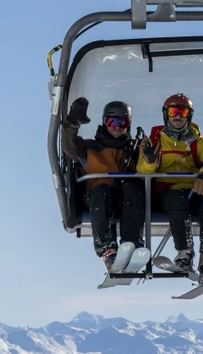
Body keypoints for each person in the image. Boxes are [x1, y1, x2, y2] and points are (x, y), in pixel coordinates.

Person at [136, 93, 203, 284]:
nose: (177, 116)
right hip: (168, 189)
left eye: (182, 112)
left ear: (189, 116)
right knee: (176, 202)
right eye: (173, 111)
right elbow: (142, 171)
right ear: (166, 114)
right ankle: (185, 252)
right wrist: (150, 161)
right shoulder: (154, 140)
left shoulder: (197, 142)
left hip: (194, 188)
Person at [61, 98, 145, 269]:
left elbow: (149, 168)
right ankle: (107, 249)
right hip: (97, 197)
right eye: (112, 121)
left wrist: (148, 155)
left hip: (124, 197)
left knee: (132, 188)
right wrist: (72, 125)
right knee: (102, 189)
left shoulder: (134, 150)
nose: (117, 126)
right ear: (104, 122)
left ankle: (131, 245)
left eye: (122, 122)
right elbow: (69, 147)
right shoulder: (90, 148)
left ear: (129, 124)